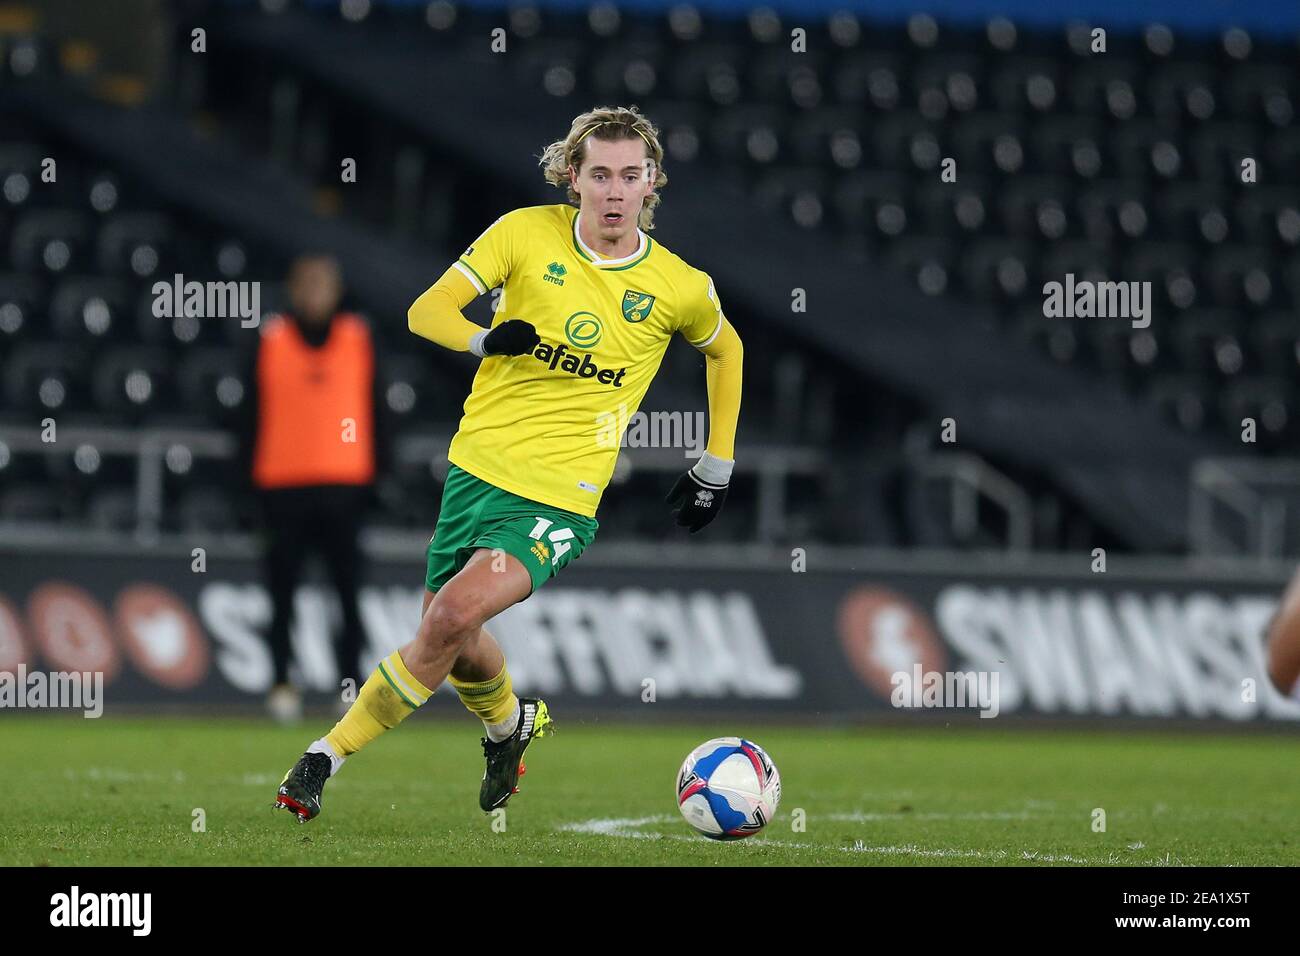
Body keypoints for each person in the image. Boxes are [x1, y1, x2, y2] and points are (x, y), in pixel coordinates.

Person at [273, 105, 745, 823]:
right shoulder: (524, 233)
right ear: (572, 180)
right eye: (599, 176)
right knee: (450, 635)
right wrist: (482, 339)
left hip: (561, 498)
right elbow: (425, 310)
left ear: (652, 183)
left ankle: (322, 758)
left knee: (451, 615)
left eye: (630, 176)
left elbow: (727, 350)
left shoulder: (679, 286)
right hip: (475, 470)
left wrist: (717, 463)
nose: (615, 192)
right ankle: (508, 726)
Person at [237, 254, 389, 723]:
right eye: (306, 284)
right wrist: (244, 487)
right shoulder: (269, 341)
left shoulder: (359, 340)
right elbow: (245, 419)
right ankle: (282, 684)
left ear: (337, 290)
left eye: (322, 284)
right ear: (292, 289)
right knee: (281, 596)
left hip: (344, 490)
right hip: (282, 490)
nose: (314, 294)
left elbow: (381, 414)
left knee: (347, 595)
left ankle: (349, 685)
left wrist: (379, 478)